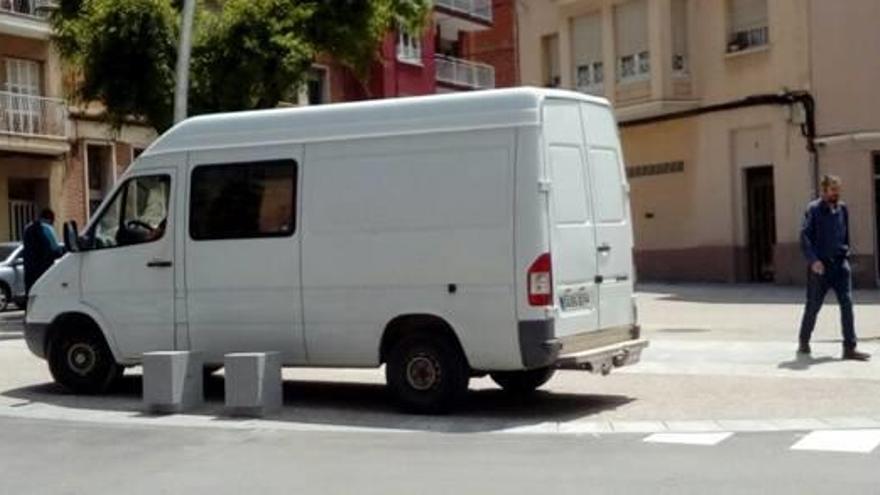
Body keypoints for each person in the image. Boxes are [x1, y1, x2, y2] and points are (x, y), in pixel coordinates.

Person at [798, 175, 870, 361]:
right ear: (824, 190)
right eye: (832, 190)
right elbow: (805, 237)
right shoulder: (813, 210)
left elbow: (845, 234)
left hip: (840, 265)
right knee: (813, 305)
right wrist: (813, 260)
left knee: (847, 304)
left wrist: (846, 253)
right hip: (820, 267)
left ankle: (849, 348)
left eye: (838, 189)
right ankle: (804, 340)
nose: (836, 193)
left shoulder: (842, 209)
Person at [23, 208, 64, 297]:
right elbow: (55, 249)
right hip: (44, 271)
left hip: (30, 272)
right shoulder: (47, 229)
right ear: (50, 219)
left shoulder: (28, 228)